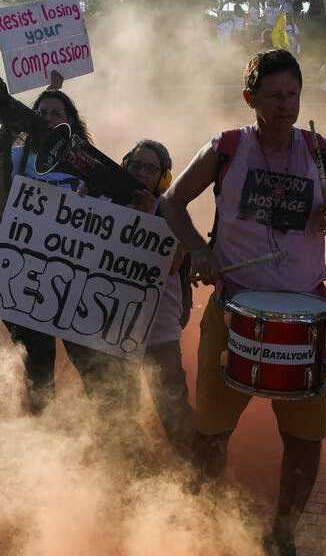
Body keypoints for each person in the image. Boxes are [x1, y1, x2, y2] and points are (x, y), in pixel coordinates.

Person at [159, 49, 326, 556]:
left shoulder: (317, 150)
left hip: (304, 313)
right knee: (210, 432)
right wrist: (197, 250)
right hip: (234, 308)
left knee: (303, 439)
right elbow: (172, 202)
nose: (285, 105)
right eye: (274, 96)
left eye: (293, 95)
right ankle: (206, 527)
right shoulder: (228, 147)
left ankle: (283, 534)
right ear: (250, 98)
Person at [0, 76, 88, 413]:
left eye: (57, 111)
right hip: (26, 275)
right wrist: (0, 155)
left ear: (70, 120)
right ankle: (43, 438)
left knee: (88, 362)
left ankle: (103, 435)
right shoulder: (17, 156)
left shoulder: (87, 161)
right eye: (41, 112)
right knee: (37, 366)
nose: (48, 117)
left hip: (75, 278)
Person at [123, 139, 195, 459]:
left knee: (171, 405)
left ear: (163, 177)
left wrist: (147, 214)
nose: (141, 173)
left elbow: (176, 261)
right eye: (136, 165)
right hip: (115, 323)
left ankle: (195, 474)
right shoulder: (106, 201)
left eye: (150, 168)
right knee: (122, 407)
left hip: (159, 325)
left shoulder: (171, 209)